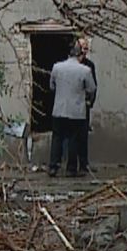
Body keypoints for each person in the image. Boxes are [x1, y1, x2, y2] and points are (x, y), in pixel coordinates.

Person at [48, 39, 97, 177]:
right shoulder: (85, 70)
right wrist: (86, 99)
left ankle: (53, 166)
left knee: (57, 137)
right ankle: (71, 168)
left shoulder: (56, 67)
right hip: (76, 111)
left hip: (59, 109)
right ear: (79, 55)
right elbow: (92, 88)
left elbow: (52, 86)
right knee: (73, 138)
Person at [76, 37, 98, 175]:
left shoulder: (89, 65)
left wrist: (90, 102)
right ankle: (71, 164)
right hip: (72, 104)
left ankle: (83, 164)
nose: (84, 51)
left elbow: (94, 86)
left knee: (83, 135)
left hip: (84, 105)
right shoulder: (70, 64)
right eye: (82, 48)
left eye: (86, 48)